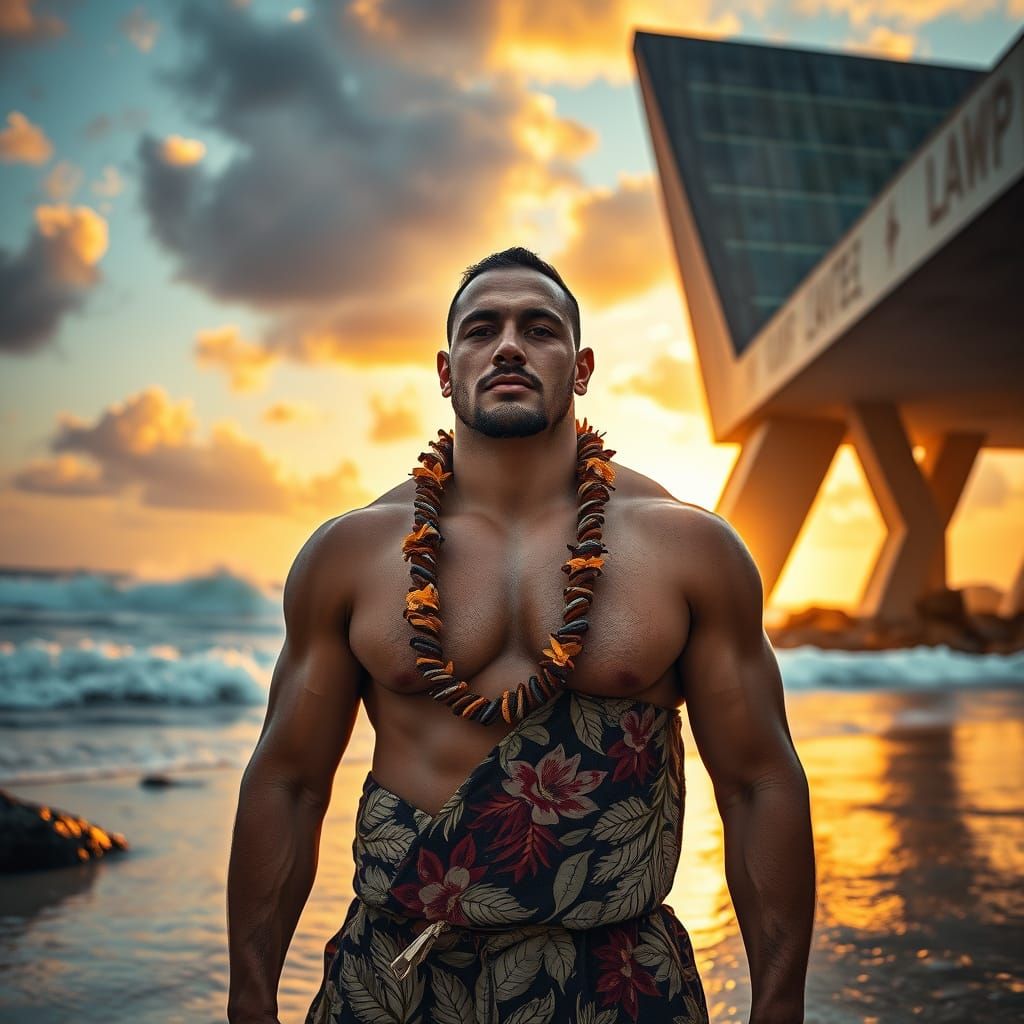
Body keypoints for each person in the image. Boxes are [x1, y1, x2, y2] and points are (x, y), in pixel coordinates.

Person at [226, 247, 815, 1024]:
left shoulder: (688, 549)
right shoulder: (351, 553)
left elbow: (757, 783)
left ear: (581, 366)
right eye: (482, 329)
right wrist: (249, 998)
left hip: (616, 979)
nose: (508, 345)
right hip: (397, 978)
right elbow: (289, 781)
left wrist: (779, 1006)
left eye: (539, 327)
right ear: (446, 370)